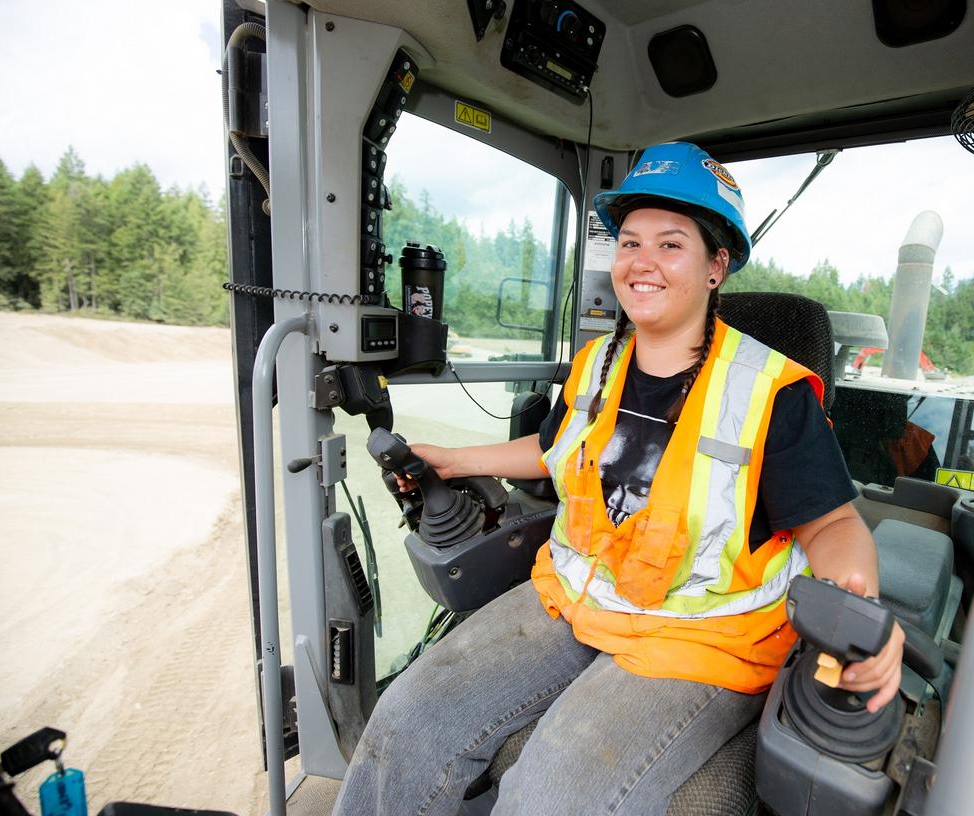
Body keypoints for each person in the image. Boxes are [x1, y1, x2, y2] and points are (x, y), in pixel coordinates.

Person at [332, 142, 904, 815]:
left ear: (716, 266)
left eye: (671, 245)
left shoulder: (771, 392)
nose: (642, 263)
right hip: (574, 599)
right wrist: (460, 461)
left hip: (697, 640)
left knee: (547, 795)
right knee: (406, 722)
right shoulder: (597, 363)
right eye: (630, 242)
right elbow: (555, 450)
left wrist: (856, 600)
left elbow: (835, 523)